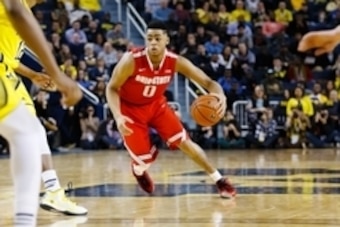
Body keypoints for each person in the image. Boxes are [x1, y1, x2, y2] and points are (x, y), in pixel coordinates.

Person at [106, 20, 236, 198]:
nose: (153, 42)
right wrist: (118, 117)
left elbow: (208, 82)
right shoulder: (131, 60)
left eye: (157, 38)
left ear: (166, 40)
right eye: (149, 38)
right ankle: (139, 170)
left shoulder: (175, 61)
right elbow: (111, 88)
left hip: (156, 105)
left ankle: (219, 180)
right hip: (130, 110)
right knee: (144, 160)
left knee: (185, 142)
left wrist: (220, 95)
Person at [1, 0, 82, 226]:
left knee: (31, 131)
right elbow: (15, 10)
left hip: (7, 74)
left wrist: (33, 75)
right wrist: (57, 75)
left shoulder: (23, 10)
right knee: (26, 134)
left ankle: (53, 191)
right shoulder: (17, 7)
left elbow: (8, 56)